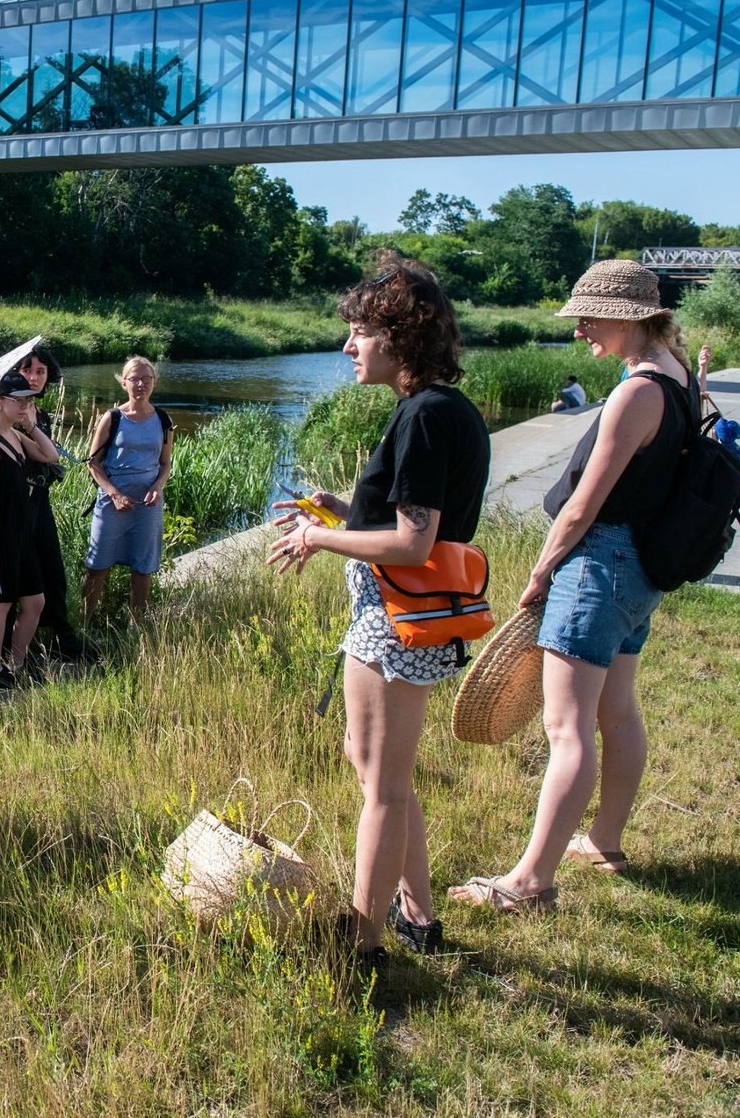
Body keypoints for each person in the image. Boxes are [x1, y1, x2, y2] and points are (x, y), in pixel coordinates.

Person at [450, 260, 693, 913]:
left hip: (599, 564)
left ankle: (530, 883)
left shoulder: (635, 392)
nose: (581, 330)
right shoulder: (678, 375)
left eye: (588, 317)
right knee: (618, 710)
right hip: (641, 569)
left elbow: (585, 504)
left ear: (626, 313)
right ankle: (604, 842)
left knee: (567, 726)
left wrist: (540, 570)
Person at [267, 254, 490, 965]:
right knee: (368, 762)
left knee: (384, 787)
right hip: (399, 615)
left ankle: (363, 943)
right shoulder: (439, 410)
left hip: (396, 619)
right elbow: (408, 515)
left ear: (400, 334)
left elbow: (413, 539)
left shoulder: (425, 415)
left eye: (359, 331)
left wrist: (319, 537)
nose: (348, 347)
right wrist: (342, 506)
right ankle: (417, 914)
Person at [0, 368, 60, 685]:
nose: (25, 404)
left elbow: (50, 456)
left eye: (29, 399)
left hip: (23, 536)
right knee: (0, 604)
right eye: (18, 400)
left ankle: (18, 664)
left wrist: (31, 425)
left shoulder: (16, 436)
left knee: (35, 601)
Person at [81, 356, 173, 626]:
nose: (141, 384)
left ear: (154, 383)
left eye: (147, 379)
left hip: (147, 504)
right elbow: (93, 463)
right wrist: (114, 493)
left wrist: (157, 487)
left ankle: (137, 628)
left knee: (142, 568)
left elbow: (166, 464)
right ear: (124, 383)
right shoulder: (112, 418)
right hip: (112, 501)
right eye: (135, 378)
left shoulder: (164, 420)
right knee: (97, 566)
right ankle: (83, 627)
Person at [11, 345, 86, 660]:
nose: (35, 377)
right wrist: (27, 427)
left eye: (41, 371)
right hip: (17, 503)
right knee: (22, 578)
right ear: (16, 372)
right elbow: (34, 455)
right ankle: (18, 651)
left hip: (40, 499)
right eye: (28, 370)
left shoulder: (39, 413)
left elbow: (46, 457)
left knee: (54, 570)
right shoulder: (10, 411)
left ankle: (60, 637)